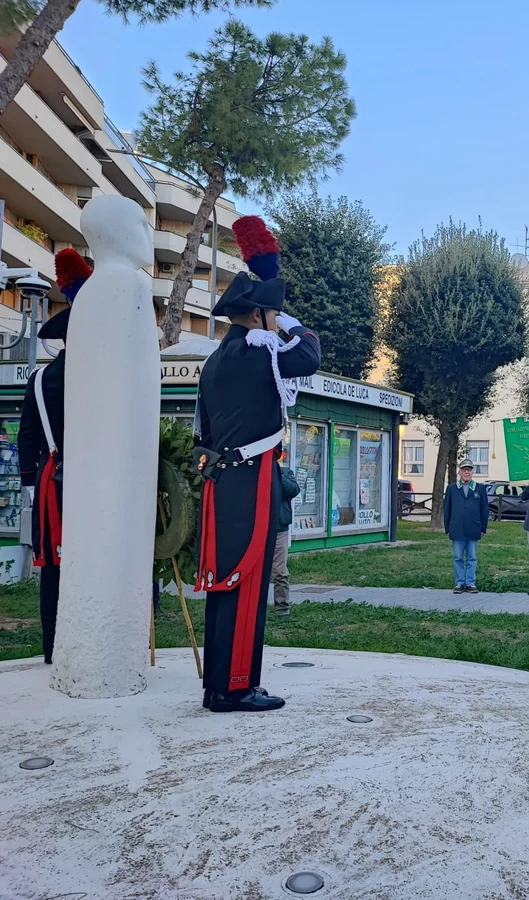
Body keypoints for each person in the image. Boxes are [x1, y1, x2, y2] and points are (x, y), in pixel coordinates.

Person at [193, 216, 321, 712]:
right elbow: (308, 355)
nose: (277, 321)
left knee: (227, 583)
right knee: (247, 580)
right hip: (251, 481)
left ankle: (218, 683)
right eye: (270, 314)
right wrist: (286, 319)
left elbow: (203, 433)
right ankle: (237, 686)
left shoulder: (215, 362)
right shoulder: (255, 352)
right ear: (257, 316)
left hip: (224, 482)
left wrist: (272, 310)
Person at [19, 249, 91, 665]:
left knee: (55, 568)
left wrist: (31, 485)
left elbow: (27, 439)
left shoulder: (40, 377)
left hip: (50, 481)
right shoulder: (96, 374)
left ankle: (53, 647)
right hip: (89, 481)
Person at [444, 458, 489, 593]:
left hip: (473, 528)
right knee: (458, 557)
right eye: (464, 470)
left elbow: (484, 510)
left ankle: (470, 583)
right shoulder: (452, 488)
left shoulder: (479, 488)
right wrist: (448, 528)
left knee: (472, 557)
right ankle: (459, 583)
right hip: (457, 528)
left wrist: (483, 528)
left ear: (472, 472)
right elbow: (447, 509)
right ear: (459, 472)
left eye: (469, 470)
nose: (466, 472)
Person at [272, 453, 300, 617]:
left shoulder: (285, 472)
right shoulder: (253, 475)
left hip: (279, 530)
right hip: (258, 530)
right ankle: (254, 608)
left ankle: (282, 609)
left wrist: (275, 474)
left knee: (279, 571)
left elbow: (293, 490)